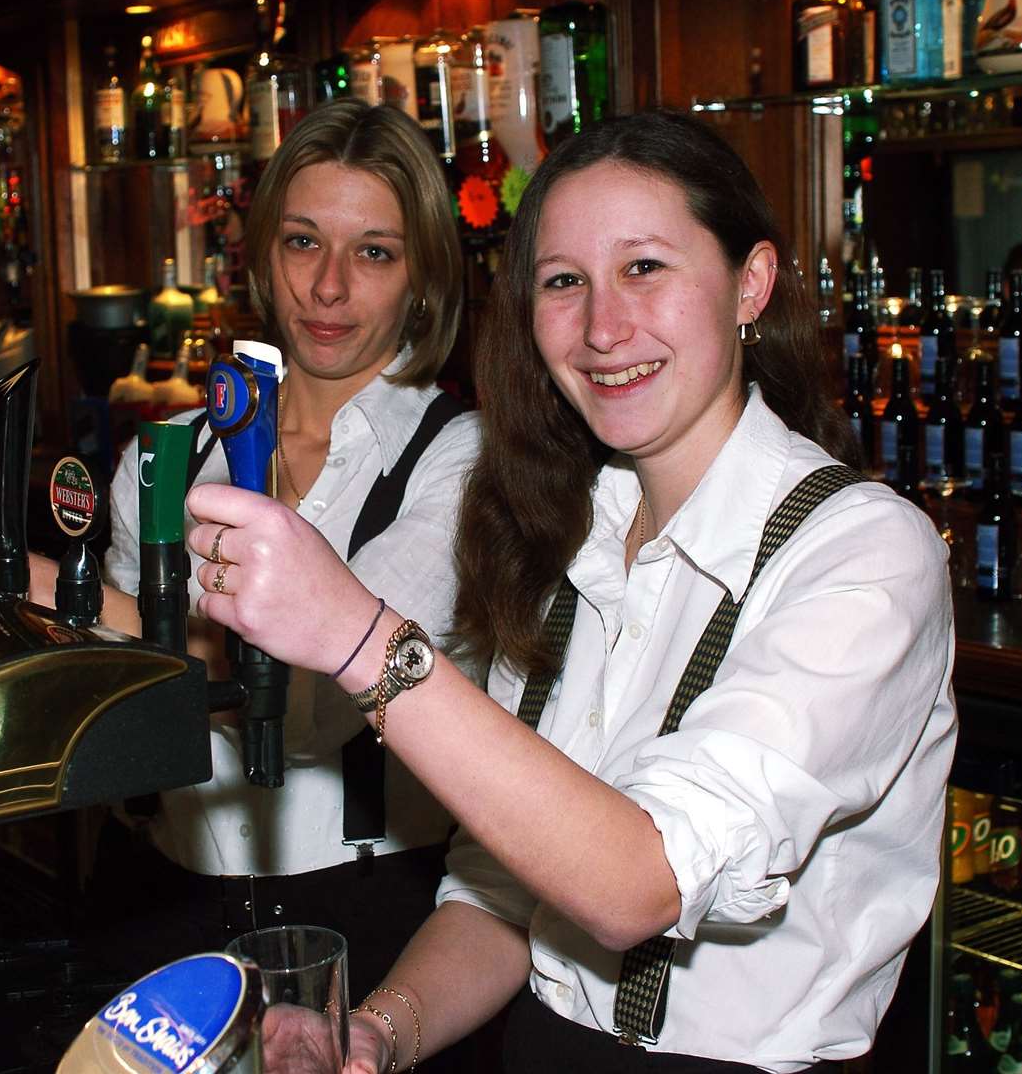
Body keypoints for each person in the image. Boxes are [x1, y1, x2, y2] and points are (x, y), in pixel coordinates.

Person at [183, 110, 957, 1074]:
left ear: (748, 283)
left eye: (644, 267)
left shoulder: (863, 552)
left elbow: (642, 882)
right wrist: (379, 1032)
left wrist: (353, 634)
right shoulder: (562, 538)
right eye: (563, 283)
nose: (601, 328)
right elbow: (504, 892)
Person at [0, 99, 478, 1006]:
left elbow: (308, 698)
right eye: (304, 242)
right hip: (152, 899)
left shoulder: (465, 459)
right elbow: (125, 692)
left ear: (423, 276)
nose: (330, 287)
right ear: (263, 254)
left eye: (374, 252)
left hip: (366, 913)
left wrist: (14, 570)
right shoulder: (165, 452)